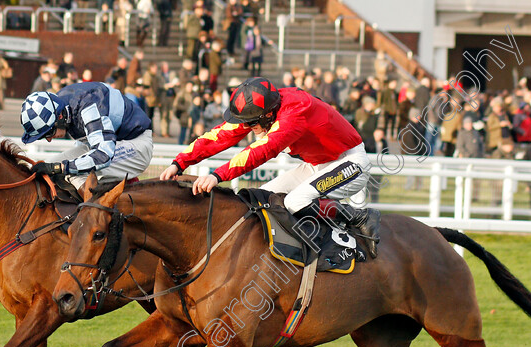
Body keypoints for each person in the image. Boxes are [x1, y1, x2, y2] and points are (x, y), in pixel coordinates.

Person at [160, 77, 380, 257]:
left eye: (251, 123)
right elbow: (221, 135)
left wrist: (217, 176)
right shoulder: (266, 107)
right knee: (262, 197)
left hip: (350, 163)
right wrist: (179, 163)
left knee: (296, 201)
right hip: (318, 165)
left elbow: (261, 150)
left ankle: (358, 217)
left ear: (267, 114)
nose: (246, 128)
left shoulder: (294, 112)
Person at [19, 83, 153, 189]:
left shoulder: (87, 107)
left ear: (59, 117)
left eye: (48, 132)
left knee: (74, 173)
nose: (48, 140)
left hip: (136, 145)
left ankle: (95, 222)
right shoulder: (61, 104)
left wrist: (60, 167)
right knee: (48, 165)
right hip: (113, 142)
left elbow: (103, 156)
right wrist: (54, 167)